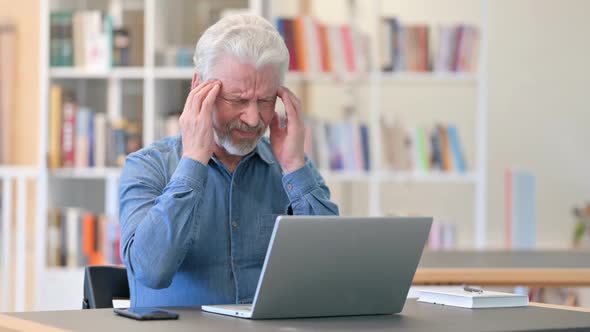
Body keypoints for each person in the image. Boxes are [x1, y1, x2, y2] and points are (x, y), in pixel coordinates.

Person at [118, 14, 339, 308]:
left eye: (265, 100)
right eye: (237, 100)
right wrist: (194, 162)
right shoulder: (147, 167)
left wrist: (295, 167)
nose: (252, 118)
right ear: (199, 87)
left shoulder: (291, 166)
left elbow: (334, 269)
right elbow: (150, 271)